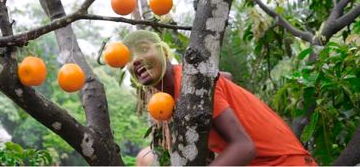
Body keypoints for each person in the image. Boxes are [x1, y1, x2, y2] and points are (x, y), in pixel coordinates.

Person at [123, 30, 317, 166]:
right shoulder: (185, 90)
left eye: (143, 49)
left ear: (164, 52)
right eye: (128, 57)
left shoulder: (193, 83)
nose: (135, 60)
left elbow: (244, 147)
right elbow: (227, 76)